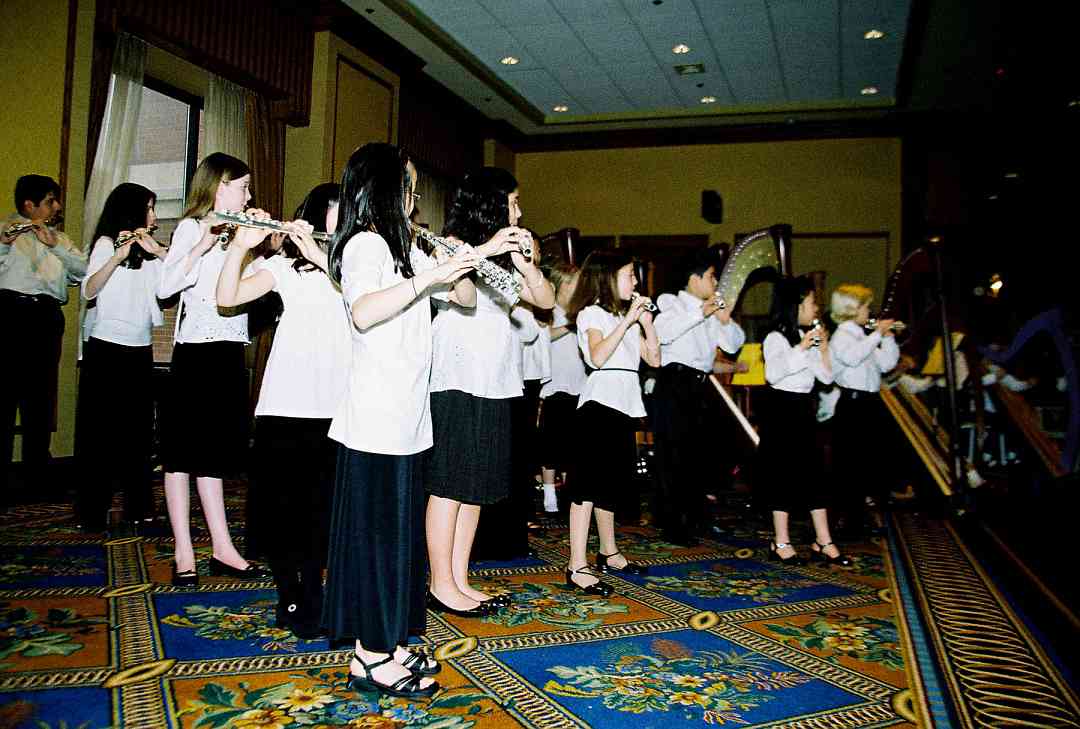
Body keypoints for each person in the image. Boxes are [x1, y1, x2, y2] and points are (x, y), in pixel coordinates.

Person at [321, 143, 480, 699]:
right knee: (377, 541)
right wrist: (424, 279)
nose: (414, 200)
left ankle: (392, 640)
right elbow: (364, 311)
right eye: (408, 188)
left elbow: (465, 300)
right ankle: (370, 655)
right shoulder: (365, 244)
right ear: (384, 190)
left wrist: (460, 262)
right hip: (374, 423)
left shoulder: (404, 247)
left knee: (400, 540)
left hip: (408, 420)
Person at [215, 183, 349, 638]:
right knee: (286, 509)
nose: (341, 219)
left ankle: (316, 588)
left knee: (325, 510)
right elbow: (227, 296)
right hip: (287, 402)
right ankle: (291, 591)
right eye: (334, 212)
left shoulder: (357, 268)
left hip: (340, 404)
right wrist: (241, 246)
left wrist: (324, 257)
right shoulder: (283, 268)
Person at [426, 168, 554, 614]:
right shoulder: (454, 244)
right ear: (492, 203)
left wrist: (526, 266)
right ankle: (440, 582)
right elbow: (455, 289)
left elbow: (546, 301)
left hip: (497, 379)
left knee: (477, 483)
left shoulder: (504, 261)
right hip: (456, 376)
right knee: (448, 482)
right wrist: (488, 248)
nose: (519, 211)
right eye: (513, 202)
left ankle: (459, 578)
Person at [156, 152, 270, 586]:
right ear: (219, 186)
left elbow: (256, 286)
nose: (248, 194)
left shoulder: (239, 231)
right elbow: (166, 288)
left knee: (215, 455)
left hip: (227, 352)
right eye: (242, 186)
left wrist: (258, 243)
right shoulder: (191, 227)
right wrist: (202, 244)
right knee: (181, 454)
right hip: (195, 352)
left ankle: (222, 547)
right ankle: (184, 550)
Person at [563, 250, 660, 595]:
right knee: (586, 487)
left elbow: (655, 359)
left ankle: (608, 551)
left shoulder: (627, 319)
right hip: (598, 406)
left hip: (624, 406)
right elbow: (598, 356)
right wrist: (627, 321)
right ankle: (576, 563)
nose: (635, 282)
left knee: (610, 485)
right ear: (608, 278)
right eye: (630, 275)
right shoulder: (592, 313)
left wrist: (645, 323)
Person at [76, 183, 167, 531]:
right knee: (98, 434)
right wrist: (117, 255)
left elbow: (165, 291)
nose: (155, 217)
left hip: (139, 350)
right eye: (150, 208)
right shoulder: (104, 244)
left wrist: (158, 253)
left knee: (138, 434)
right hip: (105, 350)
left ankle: (139, 507)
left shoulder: (149, 252)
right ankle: (91, 510)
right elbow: (89, 289)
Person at [0, 175, 87, 503]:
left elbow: (83, 271)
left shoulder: (60, 239)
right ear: (29, 205)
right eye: (51, 201)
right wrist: (3, 243)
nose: (58, 206)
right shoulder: (5, 232)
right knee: (5, 398)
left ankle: (38, 479)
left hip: (45, 318)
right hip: (9, 315)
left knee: (40, 398)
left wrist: (56, 248)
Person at [652, 247, 745, 546]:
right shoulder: (671, 302)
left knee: (701, 454)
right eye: (711, 276)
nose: (715, 282)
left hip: (700, 385)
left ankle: (697, 517)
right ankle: (673, 522)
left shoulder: (709, 308)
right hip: (675, 382)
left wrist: (725, 319)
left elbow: (732, 345)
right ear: (694, 279)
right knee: (675, 455)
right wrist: (701, 312)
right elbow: (663, 332)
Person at [759, 276, 851, 566]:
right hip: (780, 409)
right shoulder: (775, 337)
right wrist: (801, 347)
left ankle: (823, 540)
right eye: (812, 301)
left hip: (803, 408)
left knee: (815, 473)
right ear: (795, 304)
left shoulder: (807, 335)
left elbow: (826, 378)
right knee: (782, 475)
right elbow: (773, 374)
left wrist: (822, 350)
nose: (816, 308)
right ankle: (780, 541)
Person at [828, 284, 899, 535]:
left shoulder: (861, 336)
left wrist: (888, 339)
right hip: (853, 404)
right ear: (852, 309)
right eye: (866, 306)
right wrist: (877, 334)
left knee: (866, 463)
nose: (870, 310)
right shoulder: (842, 336)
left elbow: (886, 364)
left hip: (869, 403)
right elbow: (852, 358)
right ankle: (846, 520)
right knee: (850, 465)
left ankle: (858, 518)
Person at [537, 261, 585, 513]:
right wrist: (568, 326)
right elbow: (544, 336)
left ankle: (569, 494)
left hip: (579, 384)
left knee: (573, 445)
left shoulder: (581, 312)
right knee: (550, 444)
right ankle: (548, 496)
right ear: (562, 284)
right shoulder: (549, 310)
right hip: (555, 386)